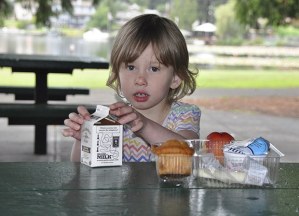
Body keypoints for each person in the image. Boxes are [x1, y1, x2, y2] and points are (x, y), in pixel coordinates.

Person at [62, 14, 201, 162]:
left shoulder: (185, 115)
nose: (140, 80)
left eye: (154, 69)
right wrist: (85, 139)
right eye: (131, 67)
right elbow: (78, 167)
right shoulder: (113, 120)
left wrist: (144, 126)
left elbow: (188, 154)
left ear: (175, 78)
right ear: (117, 72)